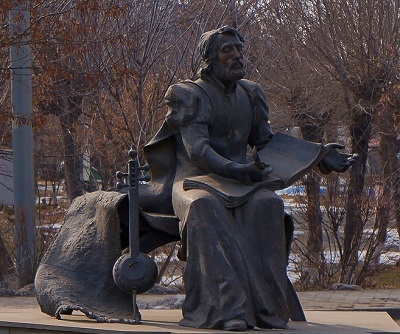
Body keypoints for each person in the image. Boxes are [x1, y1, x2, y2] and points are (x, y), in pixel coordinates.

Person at [147, 26, 356, 331]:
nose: (236, 56)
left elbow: (266, 141)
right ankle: (225, 310)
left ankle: (267, 309)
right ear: (209, 58)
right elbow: (198, 150)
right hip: (194, 181)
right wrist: (238, 170)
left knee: (268, 205)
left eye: (238, 49)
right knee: (205, 208)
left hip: (240, 182)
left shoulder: (251, 92)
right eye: (227, 50)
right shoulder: (189, 94)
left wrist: (320, 155)